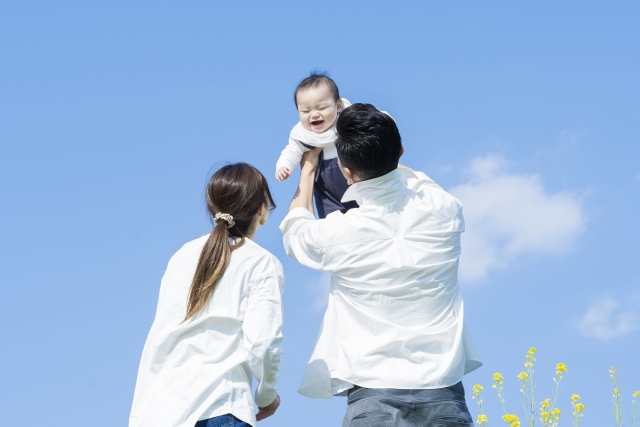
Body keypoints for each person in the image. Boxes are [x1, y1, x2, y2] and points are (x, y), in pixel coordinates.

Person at [280, 104, 482, 427]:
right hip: (444, 391)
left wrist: (308, 168)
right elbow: (415, 179)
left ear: (346, 172)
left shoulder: (339, 233)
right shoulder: (445, 210)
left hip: (373, 392)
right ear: (400, 152)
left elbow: (295, 227)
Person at [130, 163, 284, 427]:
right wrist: (266, 394)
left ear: (212, 208)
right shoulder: (260, 262)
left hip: (161, 411)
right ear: (262, 210)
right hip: (220, 405)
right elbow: (263, 342)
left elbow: (159, 338)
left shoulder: (182, 256)